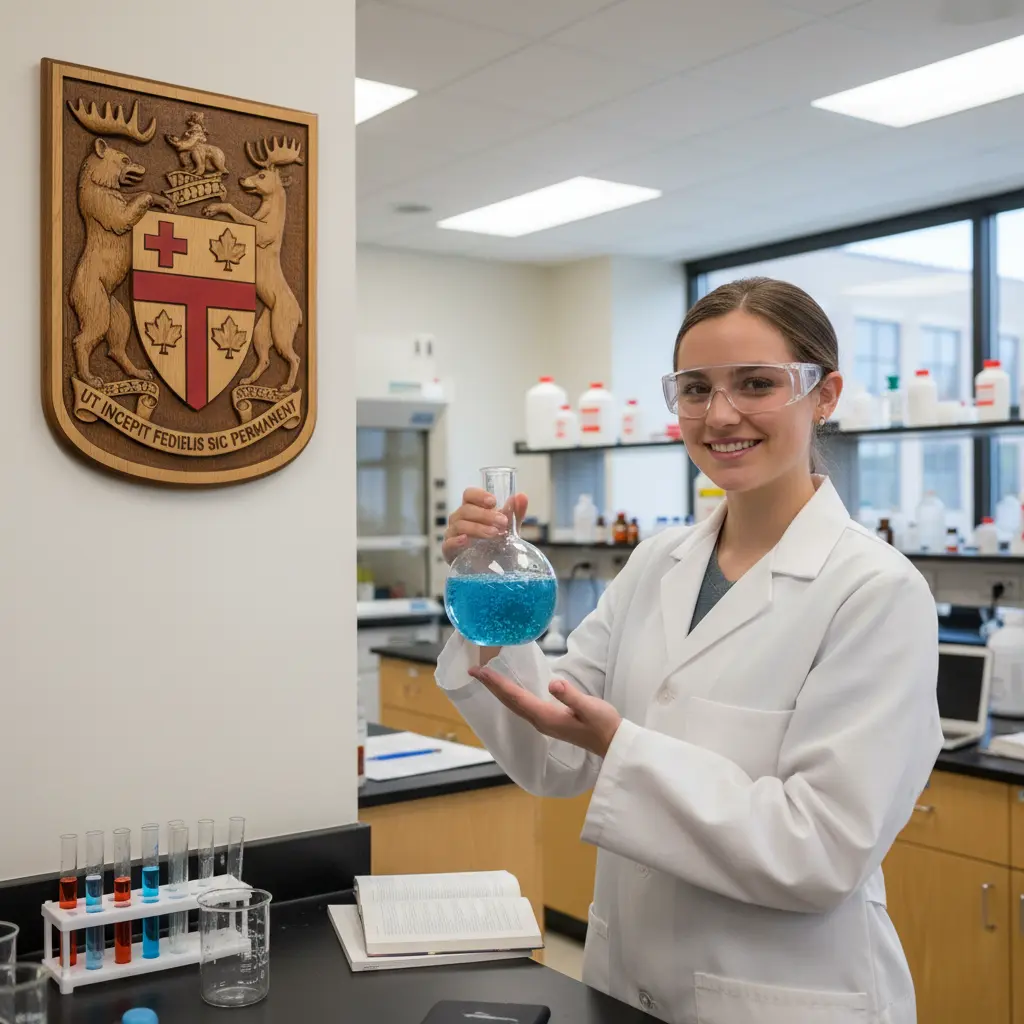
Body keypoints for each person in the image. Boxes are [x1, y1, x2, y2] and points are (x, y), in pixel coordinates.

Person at [437, 277, 941, 1024]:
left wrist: (626, 748)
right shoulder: (658, 561)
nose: (721, 415)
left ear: (825, 394)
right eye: (696, 389)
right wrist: (487, 597)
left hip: (783, 997)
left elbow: (823, 849)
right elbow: (556, 754)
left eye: (757, 384)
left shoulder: (874, 590)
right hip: (625, 980)